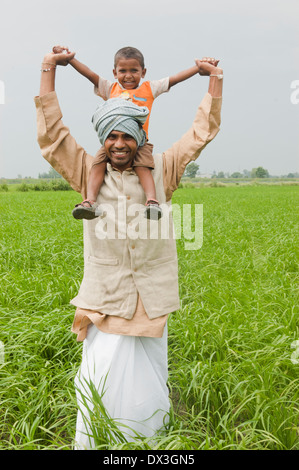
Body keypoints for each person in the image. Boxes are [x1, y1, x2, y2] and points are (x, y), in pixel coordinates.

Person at [36, 48, 223, 449]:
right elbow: (53, 137)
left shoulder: (162, 171)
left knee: (147, 389)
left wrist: (214, 82)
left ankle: (147, 448)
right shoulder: (89, 174)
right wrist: (49, 69)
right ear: (103, 140)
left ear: (138, 138)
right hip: (105, 298)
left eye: (127, 135)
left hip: (151, 301)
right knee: (101, 379)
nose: (119, 144)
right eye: (112, 136)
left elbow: (199, 135)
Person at [52, 45, 219, 221]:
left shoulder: (150, 88)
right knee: (98, 164)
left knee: (143, 166)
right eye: (122, 71)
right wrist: (70, 60)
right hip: (112, 142)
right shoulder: (110, 88)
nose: (128, 75)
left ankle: (152, 201)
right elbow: (90, 74)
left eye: (134, 70)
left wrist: (198, 68)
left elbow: (174, 79)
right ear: (114, 72)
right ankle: (90, 202)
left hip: (139, 142)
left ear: (143, 71)